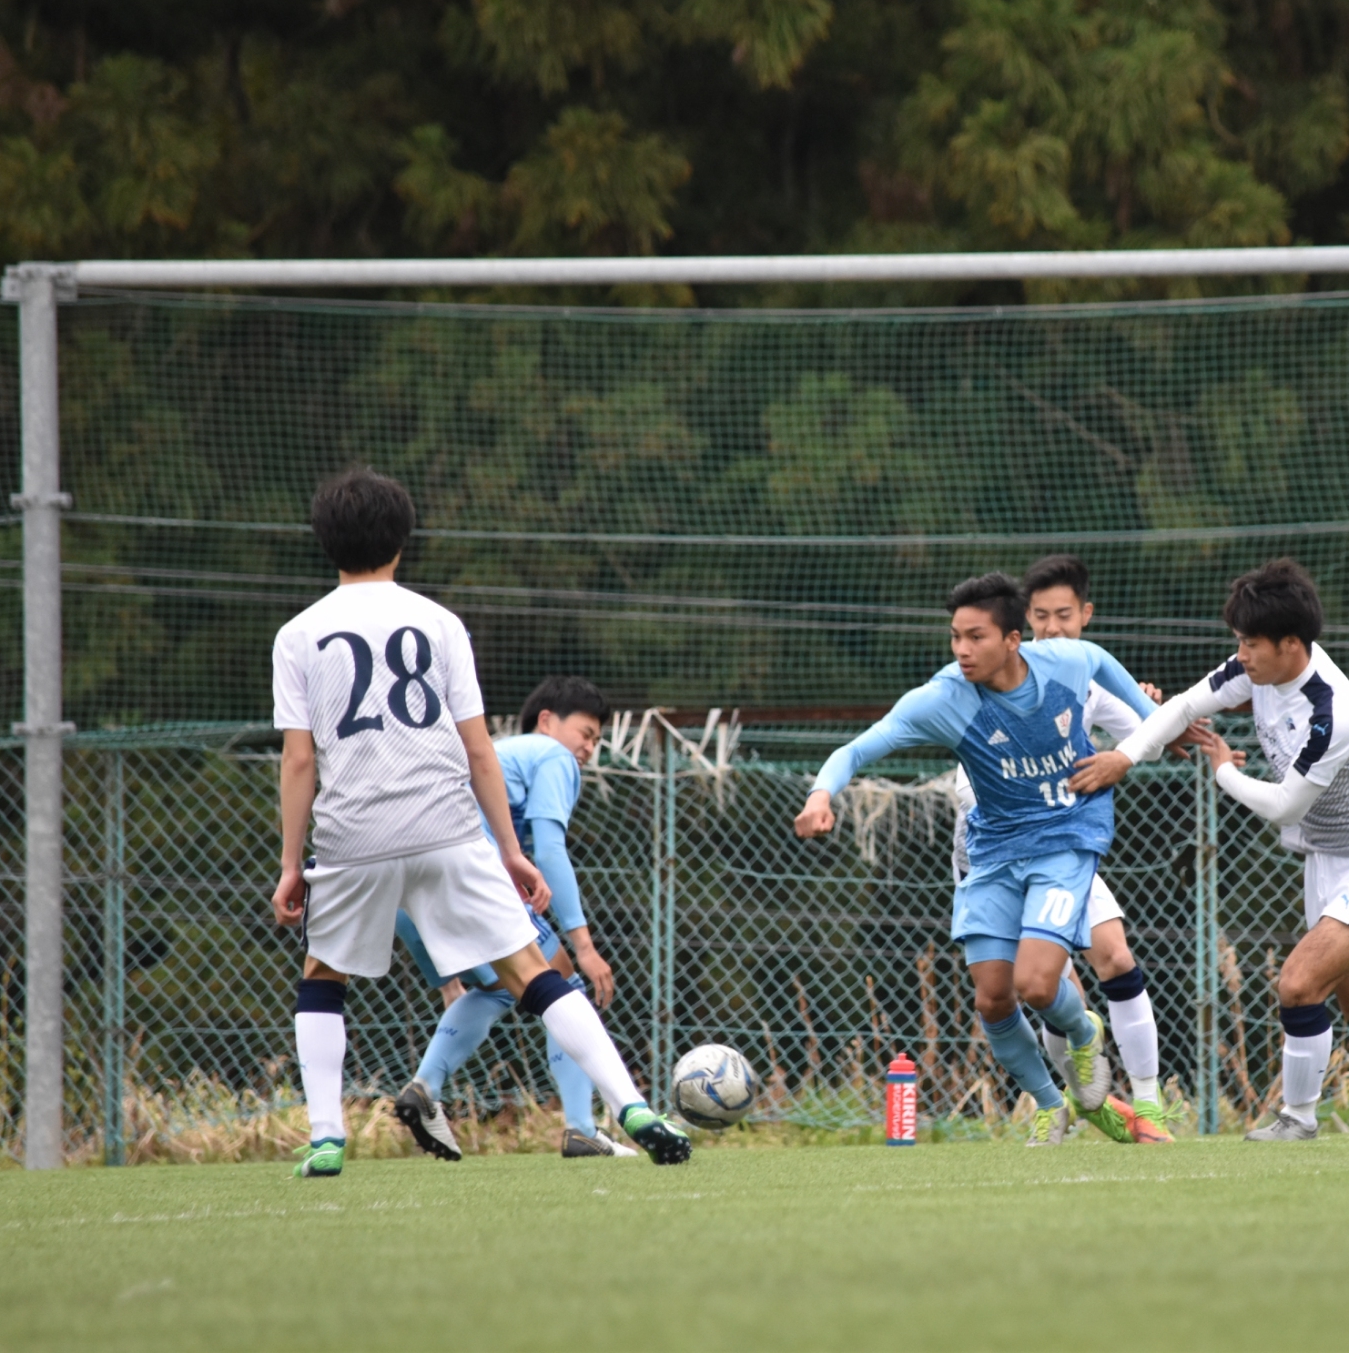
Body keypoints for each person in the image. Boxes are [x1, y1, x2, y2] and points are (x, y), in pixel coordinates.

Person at [270, 466, 692, 1176]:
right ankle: (632, 1106)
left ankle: (326, 1138)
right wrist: (510, 849)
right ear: (402, 540)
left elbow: (299, 760)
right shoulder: (441, 624)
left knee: (323, 977)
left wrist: (291, 864)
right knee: (533, 972)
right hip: (447, 828)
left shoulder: (298, 635)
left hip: (353, 837)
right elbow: (477, 751)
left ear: (324, 541)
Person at [1070, 559, 1349, 1138]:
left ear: (1290, 644)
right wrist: (1124, 756)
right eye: (1239, 641)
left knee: (1298, 983)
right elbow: (1182, 707)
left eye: (1251, 643)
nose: (1241, 654)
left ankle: (1298, 1120)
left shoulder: (1332, 714)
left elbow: (1284, 806)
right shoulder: (1254, 670)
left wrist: (1223, 771)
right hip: (1324, 862)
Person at [794, 572, 1160, 1146]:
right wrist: (821, 795)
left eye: (976, 637)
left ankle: (1085, 1036)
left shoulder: (1065, 662)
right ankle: (1050, 1105)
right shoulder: (944, 698)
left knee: (1037, 984)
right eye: (955, 636)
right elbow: (858, 748)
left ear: (1013, 640)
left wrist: (1153, 722)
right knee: (992, 998)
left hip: (1065, 842)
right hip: (992, 855)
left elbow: (1107, 668)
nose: (962, 650)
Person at [392, 675, 641, 1161]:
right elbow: (548, 849)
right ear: (546, 721)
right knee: (562, 982)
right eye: (586, 733)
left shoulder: (503, 757)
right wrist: (584, 946)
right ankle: (582, 1129)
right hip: (467, 875)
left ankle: (424, 1089)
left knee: (500, 987)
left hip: (402, 882)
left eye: (596, 740)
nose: (589, 748)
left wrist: (445, 980)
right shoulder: (552, 755)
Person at [1011, 554, 1173, 1144]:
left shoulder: (1088, 676)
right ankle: (1077, 1103)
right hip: (998, 854)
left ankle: (1150, 1104)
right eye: (1040, 617)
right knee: (1050, 994)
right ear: (1024, 620)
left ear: (1086, 615)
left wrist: (1144, 711)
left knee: (1116, 957)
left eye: (1063, 615)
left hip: (1064, 849)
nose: (1052, 629)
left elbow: (1153, 736)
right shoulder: (998, 673)